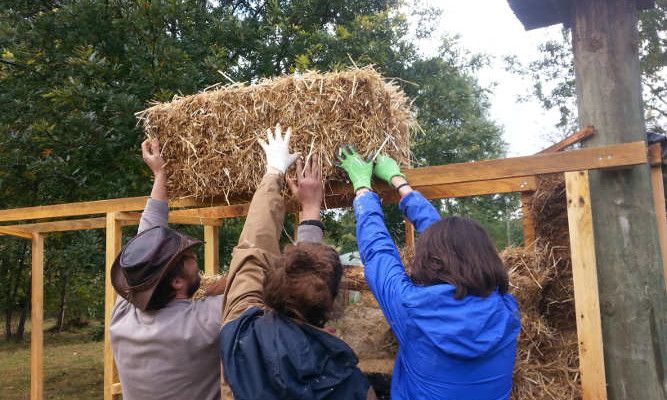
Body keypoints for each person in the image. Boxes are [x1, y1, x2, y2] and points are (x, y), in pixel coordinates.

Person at [337, 146, 521, 400]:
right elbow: (452, 246)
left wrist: (362, 188)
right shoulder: (506, 310)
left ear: (431, 260)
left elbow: (379, 254)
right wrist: (399, 183)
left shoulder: (413, 310)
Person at [219, 125, 374, 400]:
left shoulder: (239, 335)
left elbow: (251, 250)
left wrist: (274, 172)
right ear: (332, 302)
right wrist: (310, 207)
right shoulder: (347, 382)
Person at [109, 138, 226, 400]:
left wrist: (160, 175)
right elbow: (255, 275)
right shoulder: (204, 320)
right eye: (188, 256)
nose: (194, 256)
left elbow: (148, 238)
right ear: (176, 283)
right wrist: (226, 284)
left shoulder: (123, 316)